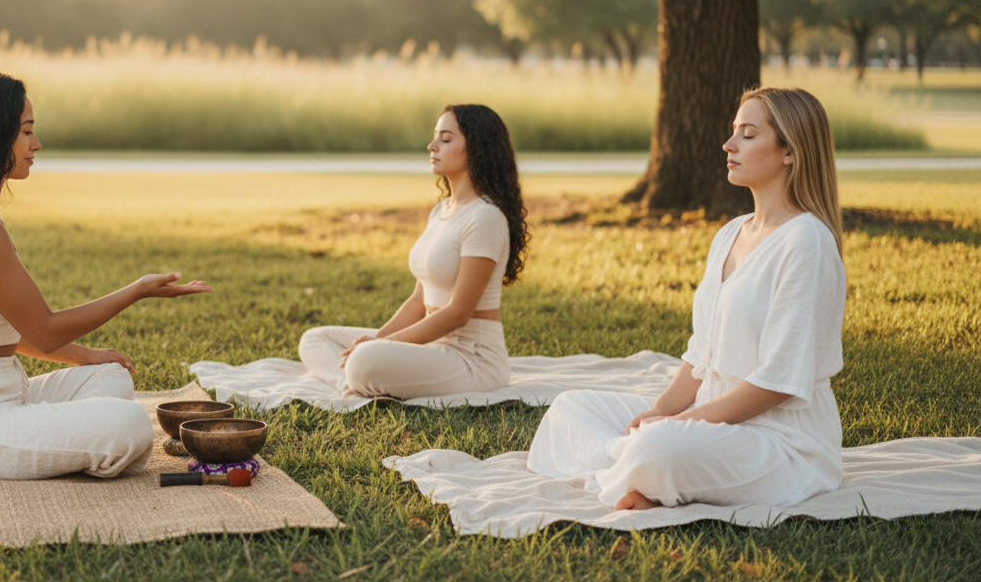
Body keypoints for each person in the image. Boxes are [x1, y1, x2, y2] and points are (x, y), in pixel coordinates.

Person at [527, 87, 846, 510]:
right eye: (734, 132)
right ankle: (637, 471)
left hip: (779, 440)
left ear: (790, 151)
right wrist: (656, 413)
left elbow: (777, 385)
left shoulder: (807, 241)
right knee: (571, 409)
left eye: (747, 135)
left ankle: (641, 468)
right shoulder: (731, 233)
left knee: (660, 447)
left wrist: (672, 426)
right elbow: (702, 355)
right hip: (705, 417)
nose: (728, 145)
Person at [0, 71, 211, 480]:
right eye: (26, 132)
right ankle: (69, 446)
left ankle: (57, 443)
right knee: (130, 427)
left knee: (109, 375)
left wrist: (87, 356)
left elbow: (10, 331)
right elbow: (44, 332)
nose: (36, 144)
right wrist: (136, 292)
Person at [298, 104, 529, 399]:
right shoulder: (442, 211)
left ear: (477, 148)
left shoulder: (485, 217)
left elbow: (458, 314)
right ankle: (349, 381)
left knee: (364, 360)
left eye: (446, 139)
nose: (432, 146)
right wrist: (378, 339)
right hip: (430, 348)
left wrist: (378, 347)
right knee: (315, 340)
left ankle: (354, 378)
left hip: (471, 359)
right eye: (435, 138)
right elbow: (419, 300)